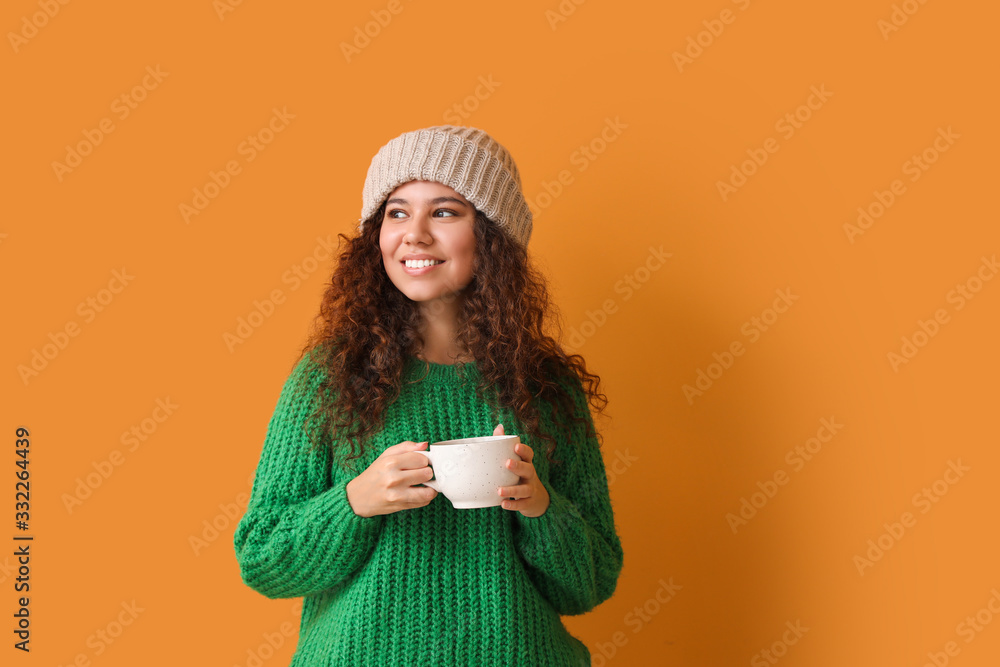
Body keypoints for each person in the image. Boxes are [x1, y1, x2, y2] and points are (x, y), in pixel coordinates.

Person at [233, 125, 624, 666]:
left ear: (491, 235)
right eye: (396, 212)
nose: (414, 234)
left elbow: (592, 582)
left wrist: (540, 506)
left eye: (444, 211)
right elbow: (262, 559)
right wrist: (356, 501)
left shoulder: (546, 385)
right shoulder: (329, 376)